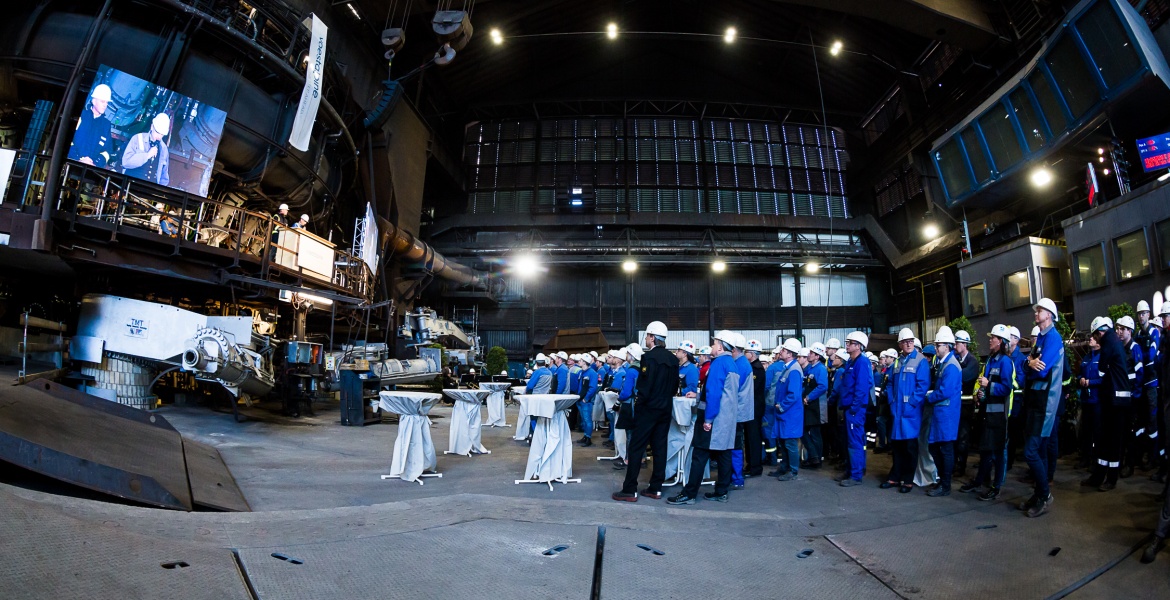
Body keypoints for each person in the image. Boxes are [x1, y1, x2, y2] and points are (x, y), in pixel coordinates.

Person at [668, 330, 741, 505]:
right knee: (724, 454)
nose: (712, 347)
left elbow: (714, 394)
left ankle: (690, 493)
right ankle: (721, 491)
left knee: (699, 454)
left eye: (715, 343)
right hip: (727, 418)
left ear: (721, 347)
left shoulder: (718, 364)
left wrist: (708, 419)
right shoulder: (732, 364)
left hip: (714, 417)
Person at [613, 321, 680, 502]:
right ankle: (655, 487)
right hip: (665, 408)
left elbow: (644, 387)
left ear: (651, 337)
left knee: (636, 448)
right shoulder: (674, 360)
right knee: (660, 448)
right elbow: (675, 386)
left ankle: (630, 489)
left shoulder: (647, 359)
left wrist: (640, 403)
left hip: (648, 409)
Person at [1020, 298, 1065, 518]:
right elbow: (1027, 365)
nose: (1036, 315)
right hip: (1036, 401)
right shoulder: (1042, 339)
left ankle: (1045, 495)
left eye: (1039, 311)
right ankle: (1039, 494)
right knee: (1038, 450)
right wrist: (1029, 363)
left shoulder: (1054, 339)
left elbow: (1041, 371)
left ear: (1049, 314)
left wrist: (1030, 365)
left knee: (1031, 451)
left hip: (1045, 404)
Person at [961, 324, 1016, 500]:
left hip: (999, 416)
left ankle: (996, 486)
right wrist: (979, 393)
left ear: (1001, 342)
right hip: (987, 413)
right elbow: (985, 384)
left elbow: (1007, 388)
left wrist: (988, 385)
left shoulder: (1006, 362)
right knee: (985, 450)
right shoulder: (991, 360)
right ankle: (979, 481)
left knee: (998, 453)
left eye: (993, 337)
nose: (990, 340)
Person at [1082, 317, 1131, 492]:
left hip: (1115, 401)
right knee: (1104, 439)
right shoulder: (1112, 340)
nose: (1095, 339)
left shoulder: (1109, 340)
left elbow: (1102, 369)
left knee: (1112, 441)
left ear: (1100, 332)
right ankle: (1100, 474)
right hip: (1112, 399)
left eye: (1096, 336)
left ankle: (1110, 478)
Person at [883, 328, 929, 493]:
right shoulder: (897, 361)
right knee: (897, 446)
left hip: (910, 412)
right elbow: (889, 383)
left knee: (910, 447)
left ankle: (908, 480)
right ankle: (895, 476)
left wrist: (911, 404)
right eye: (905, 341)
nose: (909, 343)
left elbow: (922, 386)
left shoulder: (920, 361)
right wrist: (891, 400)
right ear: (900, 344)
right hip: (897, 411)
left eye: (911, 341)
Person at [924, 327, 962, 497]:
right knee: (935, 447)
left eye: (938, 344)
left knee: (945, 449)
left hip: (946, 413)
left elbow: (945, 391)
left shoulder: (951, 366)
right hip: (942, 413)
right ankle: (942, 482)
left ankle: (945, 485)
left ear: (947, 346)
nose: (936, 348)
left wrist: (929, 398)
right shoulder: (945, 364)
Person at [837, 331, 874, 487]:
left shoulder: (862, 363)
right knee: (849, 442)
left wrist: (853, 408)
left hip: (855, 410)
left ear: (858, 346)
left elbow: (861, 389)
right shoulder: (852, 362)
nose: (847, 345)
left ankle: (856, 475)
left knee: (855, 442)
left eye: (850, 343)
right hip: (849, 409)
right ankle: (850, 470)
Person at [771, 339, 805, 481]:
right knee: (784, 441)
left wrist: (782, 405)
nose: (781, 352)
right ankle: (785, 467)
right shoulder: (788, 368)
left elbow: (794, 394)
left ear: (790, 354)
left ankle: (793, 471)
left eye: (784, 350)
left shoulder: (794, 370)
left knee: (790, 442)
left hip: (790, 413)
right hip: (785, 413)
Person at [1116, 316, 1145, 479]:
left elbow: (1139, 375)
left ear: (1130, 331)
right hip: (1123, 398)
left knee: (1132, 433)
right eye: (1118, 329)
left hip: (1133, 398)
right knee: (1124, 432)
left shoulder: (1135, 348)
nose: (1119, 332)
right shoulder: (1121, 348)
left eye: (1122, 329)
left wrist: (1135, 394)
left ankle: (1131, 463)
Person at [1135, 300, 1161, 471]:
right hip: (1142, 383)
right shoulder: (1138, 334)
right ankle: (1144, 454)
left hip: (1152, 383)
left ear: (1149, 315)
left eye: (1144, 313)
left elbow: (1150, 356)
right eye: (1139, 313)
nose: (1141, 316)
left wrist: (1140, 358)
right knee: (1143, 420)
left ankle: (1154, 457)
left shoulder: (1153, 333)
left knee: (1153, 421)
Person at [953, 330, 980, 478]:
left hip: (966, 407)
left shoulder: (973, 362)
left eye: (958, 343)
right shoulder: (957, 360)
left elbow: (964, 376)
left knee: (963, 439)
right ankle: (954, 463)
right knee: (955, 438)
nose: (956, 345)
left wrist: (953, 374)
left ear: (965, 344)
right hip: (955, 406)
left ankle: (961, 466)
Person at [729, 333, 754, 489]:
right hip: (741, 410)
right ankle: (735, 476)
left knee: (735, 445)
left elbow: (732, 389)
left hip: (737, 412)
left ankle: (736, 478)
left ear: (733, 349)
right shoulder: (743, 363)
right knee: (736, 444)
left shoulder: (739, 365)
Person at [69, 84, 114, 168]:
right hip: (72, 164)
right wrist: (78, 159)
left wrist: (94, 163)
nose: (105, 105)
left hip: (91, 168)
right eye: (102, 101)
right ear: (93, 101)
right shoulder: (81, 116)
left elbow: (108, 150)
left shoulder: (106, 124)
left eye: (107, 102)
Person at [799, 343, 829, 471]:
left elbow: (823, 386)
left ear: (817, 356)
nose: (808, 355)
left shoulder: (820, 369)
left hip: (816, 405)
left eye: (811, 353)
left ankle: (816, 460)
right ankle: (814, 456)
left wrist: (809, 397)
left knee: (816, 433)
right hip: (808, 405)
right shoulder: (810, 368)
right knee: (804, 432)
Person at [121, 113, 170, 186]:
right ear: (152, 126)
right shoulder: (137, 138)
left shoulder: (163, 149)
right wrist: (147, 155)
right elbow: (125, 162)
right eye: (157, 132)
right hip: (132, 185)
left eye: (162, 134)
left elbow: (164, 175)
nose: (159, 137)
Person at [1076, 334, 1102, 469]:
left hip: (1097, 401)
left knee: (1096, 432)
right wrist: (1080, 378)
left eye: (1093, 338)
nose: (1090, 339)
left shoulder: (1102, 357)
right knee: (1085, 431)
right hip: (1086, 400)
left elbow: (1104, 379)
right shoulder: (1087, 357)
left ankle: (1095, 460)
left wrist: (1090, 382)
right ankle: (1085, 458)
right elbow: (1080, 373)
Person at [744, 339, 767, 478]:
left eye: (746, 352)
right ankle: (750, 464)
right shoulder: (751, 367)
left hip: (754, 409)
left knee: (753, 438)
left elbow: (752, 390)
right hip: (751, 408)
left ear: (751, 354)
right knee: (749, 438)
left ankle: (755, 467)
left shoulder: (756, 369)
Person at [576, 355, 599, 447]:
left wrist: (586, 398)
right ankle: (585, 436)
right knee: (584, 419)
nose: (579, 361)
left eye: (580, 360)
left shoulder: (592, 373)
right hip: (580, 399)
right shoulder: (582, 372)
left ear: (585, 362)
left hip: (586, 401)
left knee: (587, 419)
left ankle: (588, 438)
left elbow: (593, 387)